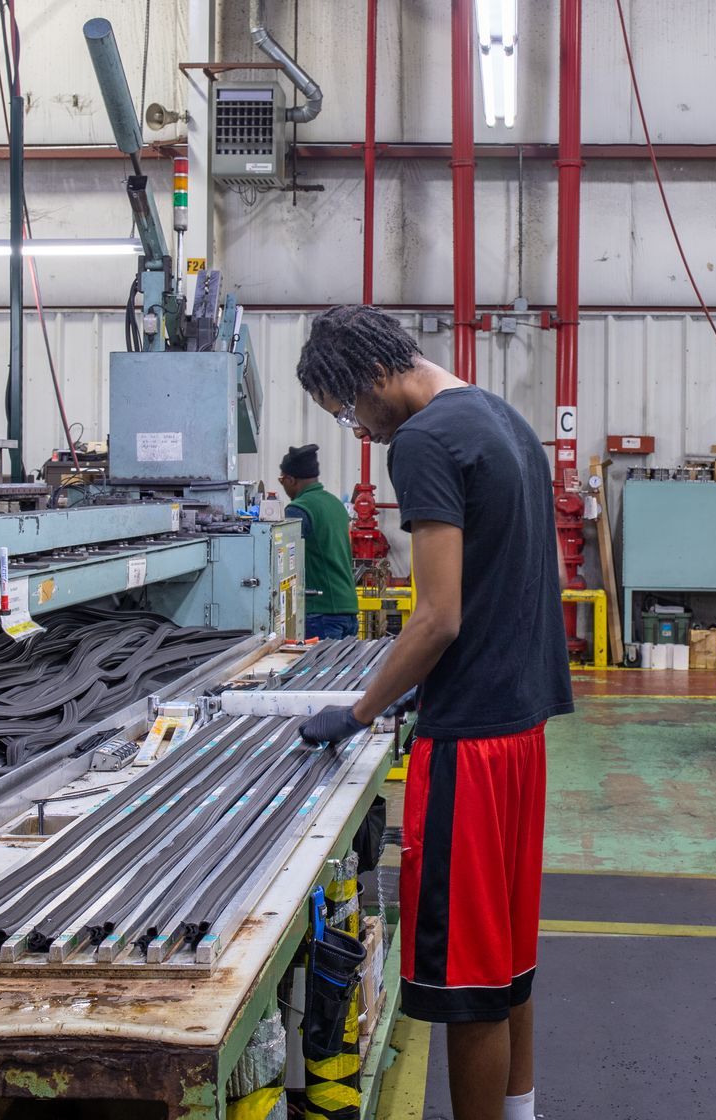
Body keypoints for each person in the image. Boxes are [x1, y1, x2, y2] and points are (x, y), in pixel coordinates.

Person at [293, 305, 571, 1120]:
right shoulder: (502, 419)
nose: (359, 431)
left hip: (472, 747)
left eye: (348, 411)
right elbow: (499, 586)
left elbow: (437, 616)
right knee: (507, 959)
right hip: (521, 729)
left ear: (372, 379)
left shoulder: (422, 442)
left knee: (464, 985)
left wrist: (360, 707)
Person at [279, 443, 360, 641]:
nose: (283, 485)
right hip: (348, 609)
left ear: (291, 479)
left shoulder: (299, 508)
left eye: (282, 480)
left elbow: (285, 562)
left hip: (321, 612)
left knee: (317, 672)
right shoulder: (335, 504)